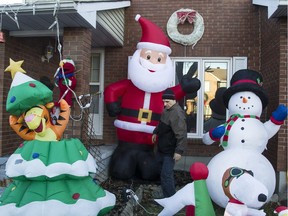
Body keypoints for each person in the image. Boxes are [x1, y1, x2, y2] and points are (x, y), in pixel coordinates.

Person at [104, 14, 200, 180]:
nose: (152, 63)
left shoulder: (164, 92)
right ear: (139, 57)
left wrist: (185, 87)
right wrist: (111, 104)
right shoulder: (129, 85)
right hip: (125, 143)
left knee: (149, 172)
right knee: (121, 171)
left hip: (149, 146)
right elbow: (111, 89)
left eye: (158, 59)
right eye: (148, 57)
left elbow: (176, 92)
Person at [152, 89, 187, 197]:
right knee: (161, 172)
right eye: (164, 101)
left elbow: (181, 134)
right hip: (162, 148)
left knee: (166, 175)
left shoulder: (177, 114)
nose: (165, 104)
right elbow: (161, 123)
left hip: (170, 151)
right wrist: (155, 132)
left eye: (167, 101)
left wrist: (179, 151)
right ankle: (167, 193)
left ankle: (171, 199)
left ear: (174, 100)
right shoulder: (166, 110)